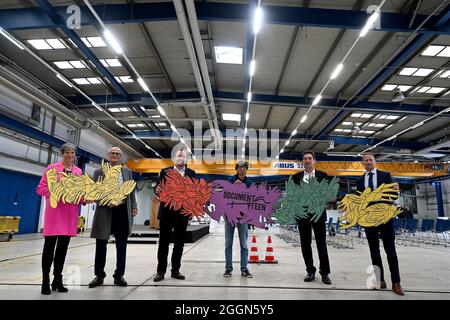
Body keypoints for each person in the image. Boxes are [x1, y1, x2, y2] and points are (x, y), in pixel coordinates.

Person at [36, 143, 83, 295]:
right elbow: (41, 188)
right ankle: (45, 282)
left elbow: (80, 192)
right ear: (62, 154)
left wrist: (84, 197)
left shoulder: (78, 171)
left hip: (70, 215)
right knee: (49, 250)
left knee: (62, 250)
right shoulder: (52, 168)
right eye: (67, 152)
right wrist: (57, 193)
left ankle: (57, 280)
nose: (70, 155)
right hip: (55, 214)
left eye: (72, 153)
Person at [88, 147, 138, 288]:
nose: (115, 155)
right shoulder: (99, 172)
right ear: (108, 156)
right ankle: (99, 275)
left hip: (122, 211)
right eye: (112, 153)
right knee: (101, 244)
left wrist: (134, 205)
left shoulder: (127, 172)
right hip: (105, 210)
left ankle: (119, 275)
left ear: (121, 157)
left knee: (121, 245)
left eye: (117, 154)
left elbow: (131, 191)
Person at [357, 152, 404, 295]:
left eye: (370, 159)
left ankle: (396, 282)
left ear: (374, 162)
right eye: (366, 160)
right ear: (363, 163)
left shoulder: (385, 175)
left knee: (390, 250)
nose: (368, 162)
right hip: (369, 218)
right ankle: (380, 280)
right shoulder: (359, 181)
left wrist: (396, 191)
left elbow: (393, 195)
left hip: (385, 217)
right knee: (374, 251)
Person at [153, 148, 196, 282]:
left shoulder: (191, 173)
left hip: (182, 214)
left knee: (179, 244)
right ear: (174, 158)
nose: (180, 158)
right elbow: (157, 188)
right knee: (163, 243)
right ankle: (160, 271)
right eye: (178, 156)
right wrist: (157, 190)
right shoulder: (165, 172)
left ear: (186, 159)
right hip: (167, 212)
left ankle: (175, 270)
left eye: (183, 156)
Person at [292, 150, 332, 285]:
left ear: (314, 161)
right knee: (305, 244)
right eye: (305, 158)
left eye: (310, 158)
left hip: (318, 214)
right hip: (303, 215)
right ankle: (310, 271)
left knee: (322, 244)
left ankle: (325, 273)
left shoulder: (323, 176)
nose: (307, 160)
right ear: (303, 162)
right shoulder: (296, 177)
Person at [223, 160, 253, 278]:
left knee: (244, 244)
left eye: (244, 167)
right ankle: (228, 269)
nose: (242, 169)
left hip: (243, 217)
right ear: (236, 169)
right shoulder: (229, 181)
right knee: (228, 243)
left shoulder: (250, 183)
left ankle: (244, 269)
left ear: (246, 169)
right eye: (240, 167)